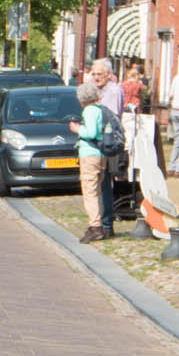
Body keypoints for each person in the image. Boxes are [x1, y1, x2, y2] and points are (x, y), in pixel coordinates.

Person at [89, 59, 125, 237]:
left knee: (105, 183)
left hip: (108, 142)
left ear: (108, 75)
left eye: (99, 74)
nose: (96, 78)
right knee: (97, 183)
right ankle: (99, 222)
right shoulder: (94, 89)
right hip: (96, 141)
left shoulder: (113, 91)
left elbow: (110, 117)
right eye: (94, 74)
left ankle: (106, 224)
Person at [71, 80, 106, 243]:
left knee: (89, 191)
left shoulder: (90, 111)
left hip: (89, 155)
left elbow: (91, 133)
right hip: (100, 154)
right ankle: (97, 223)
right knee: (96, 191)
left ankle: (95, 226)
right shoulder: (99, 110)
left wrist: (78, 129)